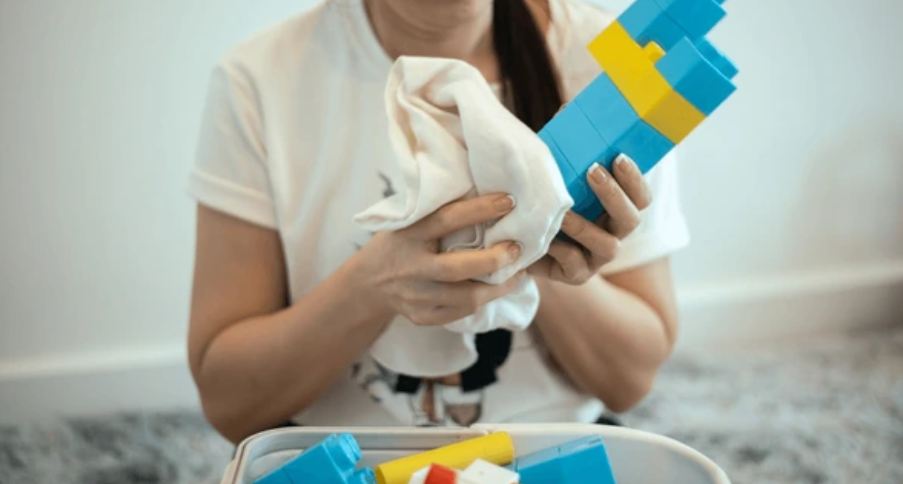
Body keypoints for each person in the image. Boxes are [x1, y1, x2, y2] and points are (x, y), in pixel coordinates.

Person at [186, 0, 689, 444]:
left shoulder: (617, 60)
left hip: (552, 451)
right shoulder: (259, 80)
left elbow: (630, 382)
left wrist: (531, 236)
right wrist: (373, 284)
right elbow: (231, 404)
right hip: (341, 457)